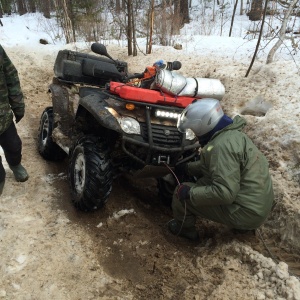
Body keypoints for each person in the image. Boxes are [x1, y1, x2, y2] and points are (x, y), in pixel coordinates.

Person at [168, 98, 274, 241]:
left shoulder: (221, 146)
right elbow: (216, 165)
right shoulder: (232, 135)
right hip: (257, 204)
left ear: (204, 125)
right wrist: (187, 168)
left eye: (194, 130)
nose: (196, 135)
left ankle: (184, 230)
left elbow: (225, 193)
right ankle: (243, 225)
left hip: (247, 212)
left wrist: (189, 192)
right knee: (204, 181)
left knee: (181, 194)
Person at [0, 44, 29, 195]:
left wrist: (17, 106)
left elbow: (10, 76)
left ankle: (15, 164)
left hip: (2, 115)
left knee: (14, 145)